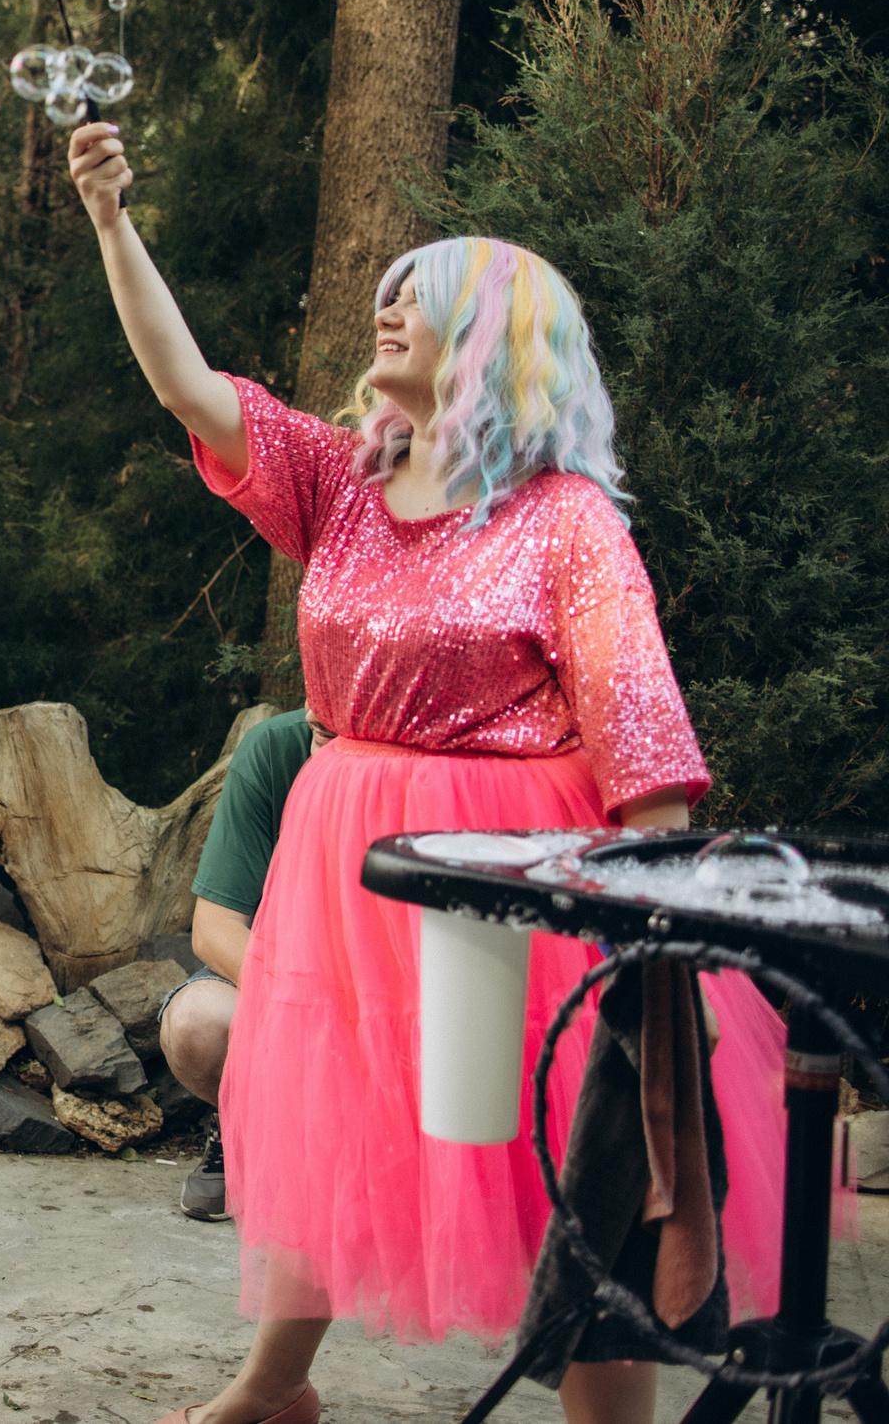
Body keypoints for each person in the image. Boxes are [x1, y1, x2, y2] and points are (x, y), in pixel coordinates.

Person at [65, 123, 786, 1424]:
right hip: (352, 860)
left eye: (421, 294)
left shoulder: (564, 515)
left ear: (497, 342)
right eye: (387, 291)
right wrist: (114, 221)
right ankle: (274, 1385)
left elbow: (641, 731)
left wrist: (654, 916)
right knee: (336, 1106)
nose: (385, 309)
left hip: (515, 871)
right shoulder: (342, 484)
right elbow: (188, 389)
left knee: (576, 1156)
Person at [162, 706, 315, 1223]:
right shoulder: (277, 747)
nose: (320, 709)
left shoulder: (431, 761)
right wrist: (305, 1003)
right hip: (285, 972)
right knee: (196, 1022)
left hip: (392, 985)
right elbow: (213, 930)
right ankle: (245, 1125)